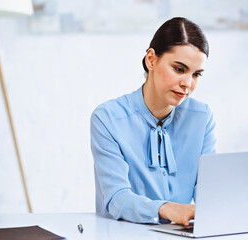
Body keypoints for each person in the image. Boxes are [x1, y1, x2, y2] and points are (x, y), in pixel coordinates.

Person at [90, 17, 216, 226]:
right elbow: (116, 198)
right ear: (151, 60)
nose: (187, 84)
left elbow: (209, 191)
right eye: (179, 69)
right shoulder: (108, 118)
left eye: (196, 74)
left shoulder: (202, 117)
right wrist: (166, 209)